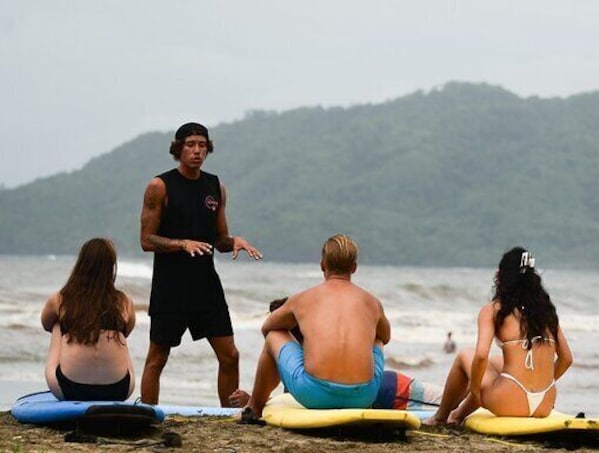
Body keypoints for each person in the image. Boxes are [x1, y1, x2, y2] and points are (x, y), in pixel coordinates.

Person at [139, 122, 263, 406]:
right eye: (191, 144)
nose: (197, 151)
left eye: (202, 145)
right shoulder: (159, 186)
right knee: (157, 358)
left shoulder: (215, 186)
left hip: (206, 285)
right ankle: (147, 414)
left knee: (230, 355)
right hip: (170, 286)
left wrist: (234, 242)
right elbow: (146, 240)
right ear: (178, 148)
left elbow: (218, 240)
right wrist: (182, 244)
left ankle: (228, 416)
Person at [239, 234, 390, 422]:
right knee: (377, 337)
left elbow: (267, 327)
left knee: (274, 335)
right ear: (354, 268)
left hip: (315, 394)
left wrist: (305, 341)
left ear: (322, 265)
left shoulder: (303, 298)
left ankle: (254, 406)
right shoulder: (372, 302)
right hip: (363, 396)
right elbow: (386, 336)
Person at [425, 247, 573, 425]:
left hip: (508, 402)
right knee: (497, 362)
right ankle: (457, 415)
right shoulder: (547, 312)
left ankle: (440, 416)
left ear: (501, 276)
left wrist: (474, 392)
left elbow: (480, 356)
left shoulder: (494, 310)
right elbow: (566, 359)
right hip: (545, 404)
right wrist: (542, 383)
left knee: (466, 355)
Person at [229, 297, 442, 410]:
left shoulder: (313, 353)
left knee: (455, 404)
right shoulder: (302, 362)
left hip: (397, 391)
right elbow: (290, 401)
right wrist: (257, 399)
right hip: (379, 392)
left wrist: (256, 402)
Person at [41, 238, 136, 401]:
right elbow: (127, 332)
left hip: (69, 388)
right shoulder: (124, 301)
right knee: (119, 332)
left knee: (57, 325)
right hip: (120, 389)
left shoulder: (60, 299)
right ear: (111, 267)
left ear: (81, 264)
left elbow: (46, 324)